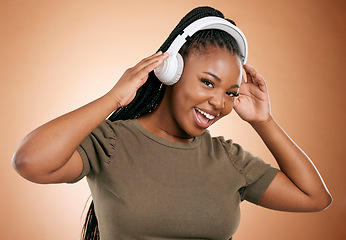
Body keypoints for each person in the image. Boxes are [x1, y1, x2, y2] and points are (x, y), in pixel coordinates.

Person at [12, 6, 332, 240]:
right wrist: (114, 98)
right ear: (172, 71)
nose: (220, 103)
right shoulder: (111, 143)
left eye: (230, 92)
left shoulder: (229, 159)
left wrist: (265, 122)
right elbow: (30, 161)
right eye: (208, 82)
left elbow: (314, 198)